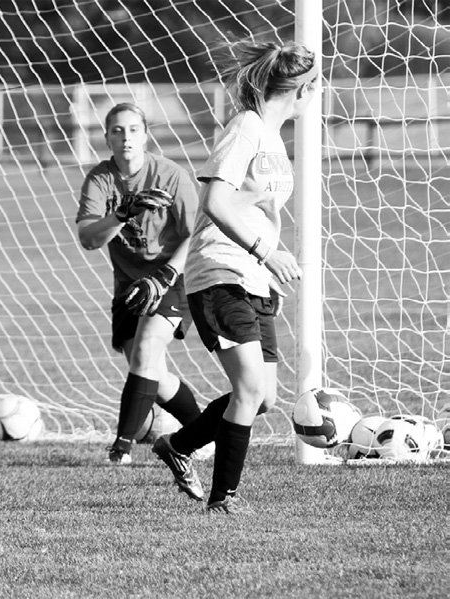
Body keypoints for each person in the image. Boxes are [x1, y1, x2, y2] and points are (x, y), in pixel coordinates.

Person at [152, 39, 319, 513]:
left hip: (254, 278)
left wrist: (268, 269)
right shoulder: (245, 127)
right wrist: (266, 251)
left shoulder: (274, 141)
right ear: (303, 91)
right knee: (247, 390)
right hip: (220, 269)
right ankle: (224, 500)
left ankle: (178, 445)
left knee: (263, 397)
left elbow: (257, 208)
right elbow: (215, 202)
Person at [76, 102, 203, 464]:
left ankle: (121, 448)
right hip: (128, 287)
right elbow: (88, 239)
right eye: (117, 130)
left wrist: (165, 276)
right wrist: (122, 213)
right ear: (107, 138)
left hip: (173, 279)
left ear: (145, 135)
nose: (125, 137)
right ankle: (205, 431)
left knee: (147, 350)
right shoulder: (100, 179)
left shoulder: (171, 175)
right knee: (151, 373)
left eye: (133, 129)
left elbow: (197, 235)